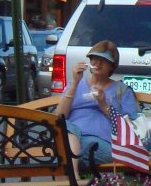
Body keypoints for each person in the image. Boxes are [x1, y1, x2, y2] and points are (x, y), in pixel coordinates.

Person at [55, 39, 140, 173]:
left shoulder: (122, 90)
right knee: (68, 128)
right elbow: (59, 116)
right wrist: (75, 83)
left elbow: (129, 126)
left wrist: (104, 105)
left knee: (67, 148)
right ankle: (74, 175)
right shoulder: (75, 85)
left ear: (112, 66)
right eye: (95, 58)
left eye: (104, 60)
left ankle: (71, 176)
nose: (98, 63)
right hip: (72, 137)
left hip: (100, 143)